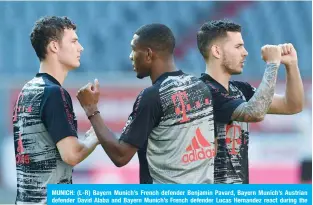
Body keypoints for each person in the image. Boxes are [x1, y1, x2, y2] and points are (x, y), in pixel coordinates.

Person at [76, 24, 216, 184]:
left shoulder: (152, 96)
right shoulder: (200, 87)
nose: (130, 56)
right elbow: (213, 146)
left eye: (134, 49)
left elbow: (120, 156)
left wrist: (91, 110)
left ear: (149, 54)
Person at [197, 19, 304, 184]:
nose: (245, 52)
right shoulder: (202, 91)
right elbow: (255, 113)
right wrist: (272, 64)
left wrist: (291, 65)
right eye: (238, 46)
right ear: (217, 51)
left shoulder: (240, 89)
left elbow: (292, 105)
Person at [12, 16, 99, 204]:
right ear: (54, 46)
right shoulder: (54, 93)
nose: (80, 47)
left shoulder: (26, 91)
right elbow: (72, 155)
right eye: (74, 41)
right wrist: (95, 138)